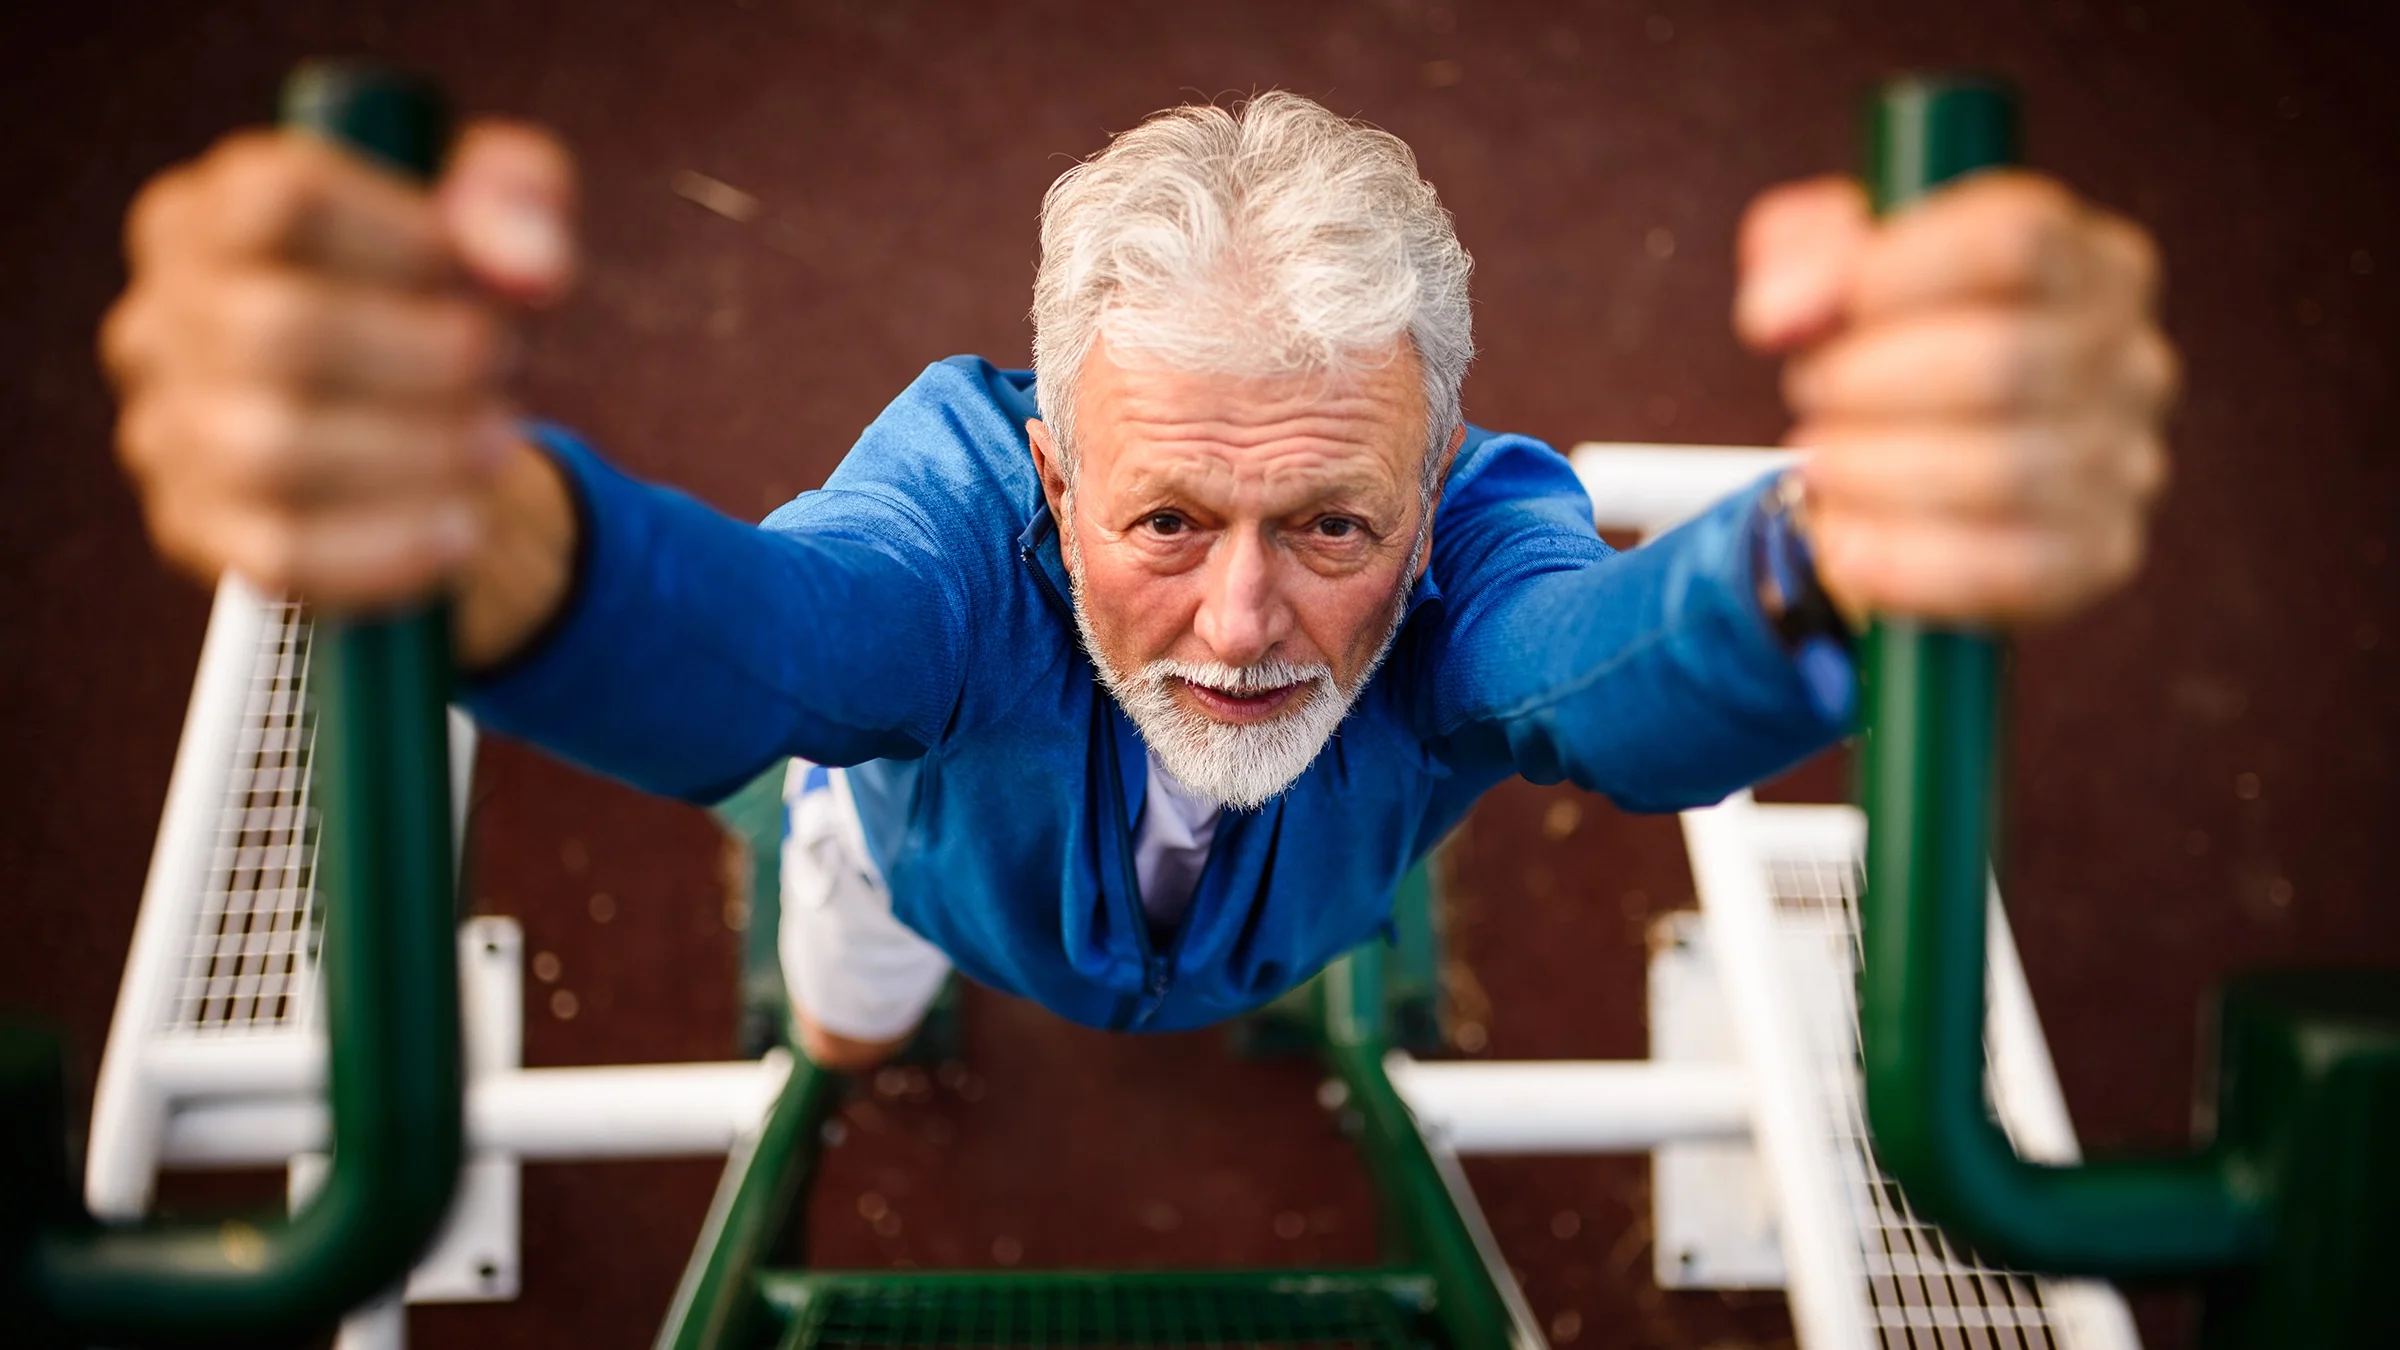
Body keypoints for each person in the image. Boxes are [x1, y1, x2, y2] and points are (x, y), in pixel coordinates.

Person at [101, 93, 2171, 1071]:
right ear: (1048, 468)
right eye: (1167, 522)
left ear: (1437, 487)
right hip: (926, 876)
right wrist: (488, 542)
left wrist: (1844, 560)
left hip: (1299, 900)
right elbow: (766, 632)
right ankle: (859, 1033)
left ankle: (1251, 985)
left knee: (1298, 897)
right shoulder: (945, 521)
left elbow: (1596, 667)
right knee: (845, 994)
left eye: (1335, 528)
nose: (1248, 622)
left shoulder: (1488, 527)